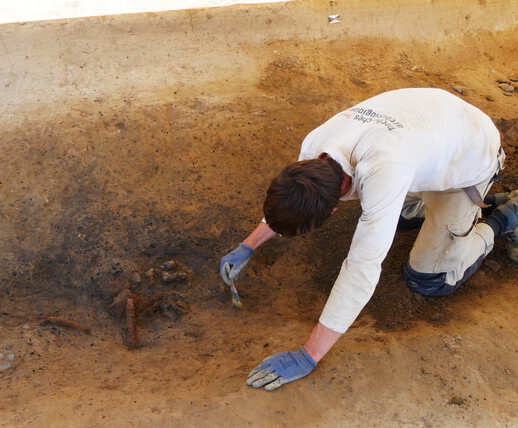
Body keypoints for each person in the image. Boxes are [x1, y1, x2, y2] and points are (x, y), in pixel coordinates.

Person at [220, 88, 518, 391]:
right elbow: (294, 200)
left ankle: (506, 216)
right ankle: (457, 213)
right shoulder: (314, 149)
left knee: (429, 279)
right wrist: (248, 245)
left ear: (335, 208)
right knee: (395, 219)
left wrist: (308, 355)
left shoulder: (383, 170)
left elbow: (362, 267)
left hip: (472, 152)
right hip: (430, 129)